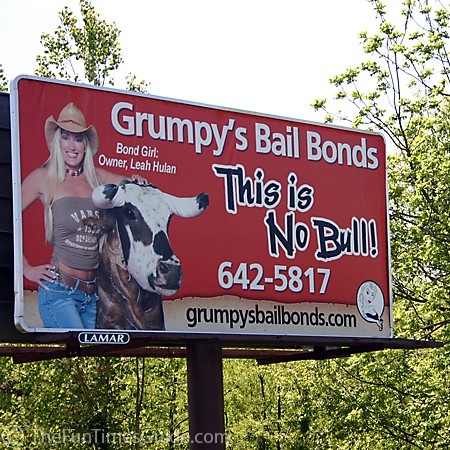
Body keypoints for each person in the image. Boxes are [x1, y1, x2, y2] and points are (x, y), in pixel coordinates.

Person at [21, 102, 145, 329]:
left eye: (78, 139)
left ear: (86, 146)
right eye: (66, 137)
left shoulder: (96, 177)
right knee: (75, 356)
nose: (72, 145)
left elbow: (132, 186)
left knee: (89, 359)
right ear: (57, 142)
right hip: (59, 293)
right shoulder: (43, 177)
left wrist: (138, 182)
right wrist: (25, 268)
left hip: (92, 296)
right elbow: (9, 216)